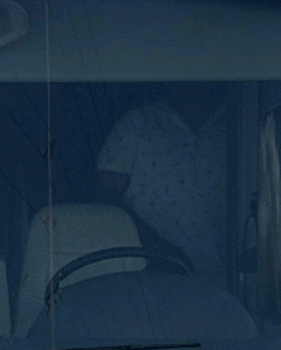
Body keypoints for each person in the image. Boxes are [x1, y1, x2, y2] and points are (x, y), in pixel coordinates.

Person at [95, 102, 227, 275]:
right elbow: (105, 202)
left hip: (228, 282)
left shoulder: (242, 122)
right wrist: (154, 247)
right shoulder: (140, 121)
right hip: (152, 277)